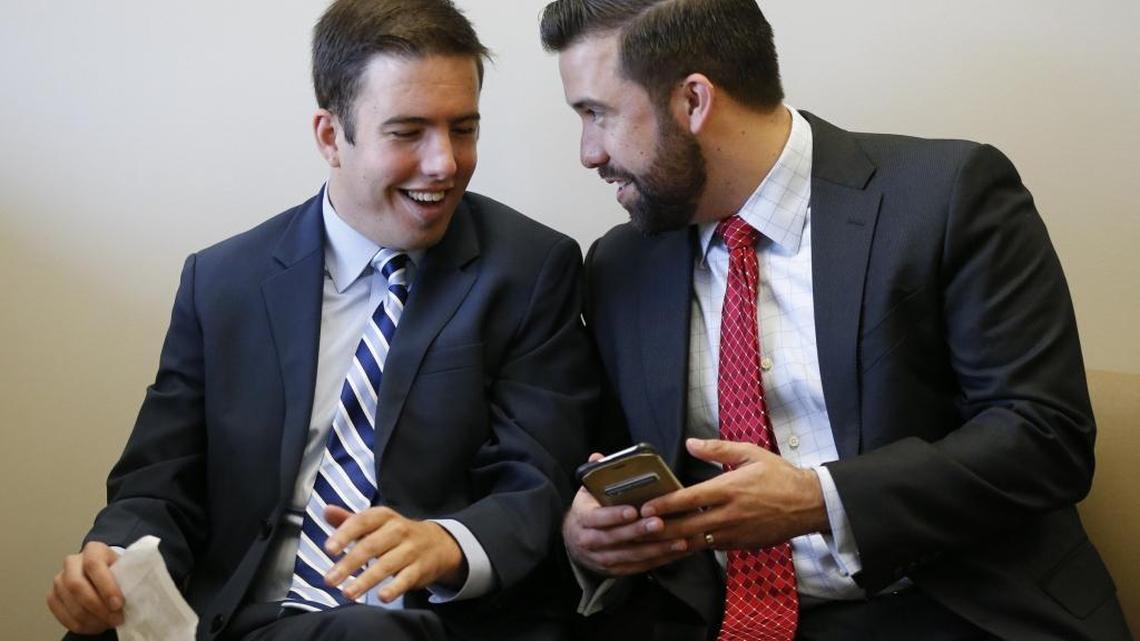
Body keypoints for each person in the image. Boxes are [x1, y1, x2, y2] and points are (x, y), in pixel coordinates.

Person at [539, 1, 1131, 640]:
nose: (588, 154)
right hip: (723, 621)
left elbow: (1045, 437)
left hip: (950, 607)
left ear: (693, 101)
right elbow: (611, 462)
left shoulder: (947, 196)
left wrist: (819, 501)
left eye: (597, 114)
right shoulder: (621, 264)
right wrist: (588, 535)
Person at [46, 1, 597, 639]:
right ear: (331, 136)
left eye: (463, 129)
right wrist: (110, 561)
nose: (445, 163)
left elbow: (539, 477)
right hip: (241, 617)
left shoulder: (530, 270)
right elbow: (158, 482)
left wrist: (448, 542)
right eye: (408, 132)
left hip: (420, 621)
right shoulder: (222, 282)